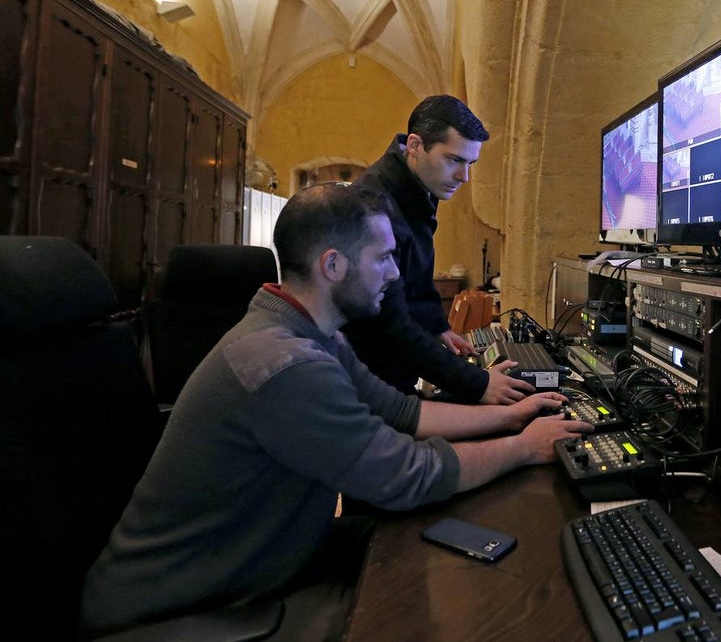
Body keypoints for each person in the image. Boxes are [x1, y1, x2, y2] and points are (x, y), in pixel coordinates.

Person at [80, 182, 591, 636]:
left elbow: (399, 411)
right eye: (384, 258)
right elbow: (407, 474)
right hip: (187, 610)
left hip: (262, 564)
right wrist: (525, 449)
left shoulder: (312, 332)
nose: (395, 273)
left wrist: (512, 416)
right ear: (333, 265)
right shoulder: (286, 364)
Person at [342, 95, 533, 405]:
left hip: (390, 374)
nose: (464, 176)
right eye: (454, 160)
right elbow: (389, 325)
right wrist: (479, 383)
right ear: (416, 146)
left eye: (470, 163)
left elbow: (414, 280)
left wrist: (437, 328)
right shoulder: (374, 206)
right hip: (371, 389)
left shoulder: (414, 187)